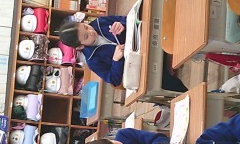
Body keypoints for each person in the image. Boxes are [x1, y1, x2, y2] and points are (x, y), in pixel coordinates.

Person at [58, 16, 187, 91]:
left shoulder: (98, 23)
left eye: (86, 27)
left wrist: (122, 25)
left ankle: (193, 47)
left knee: (173, 33)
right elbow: (114, 80)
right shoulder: (92, 61)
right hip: (144, 65)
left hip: (148, 41)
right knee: (166, 83)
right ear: (80, 46)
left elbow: (129, 18)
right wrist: (116, 60)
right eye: (86, 36)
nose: (91, 31)